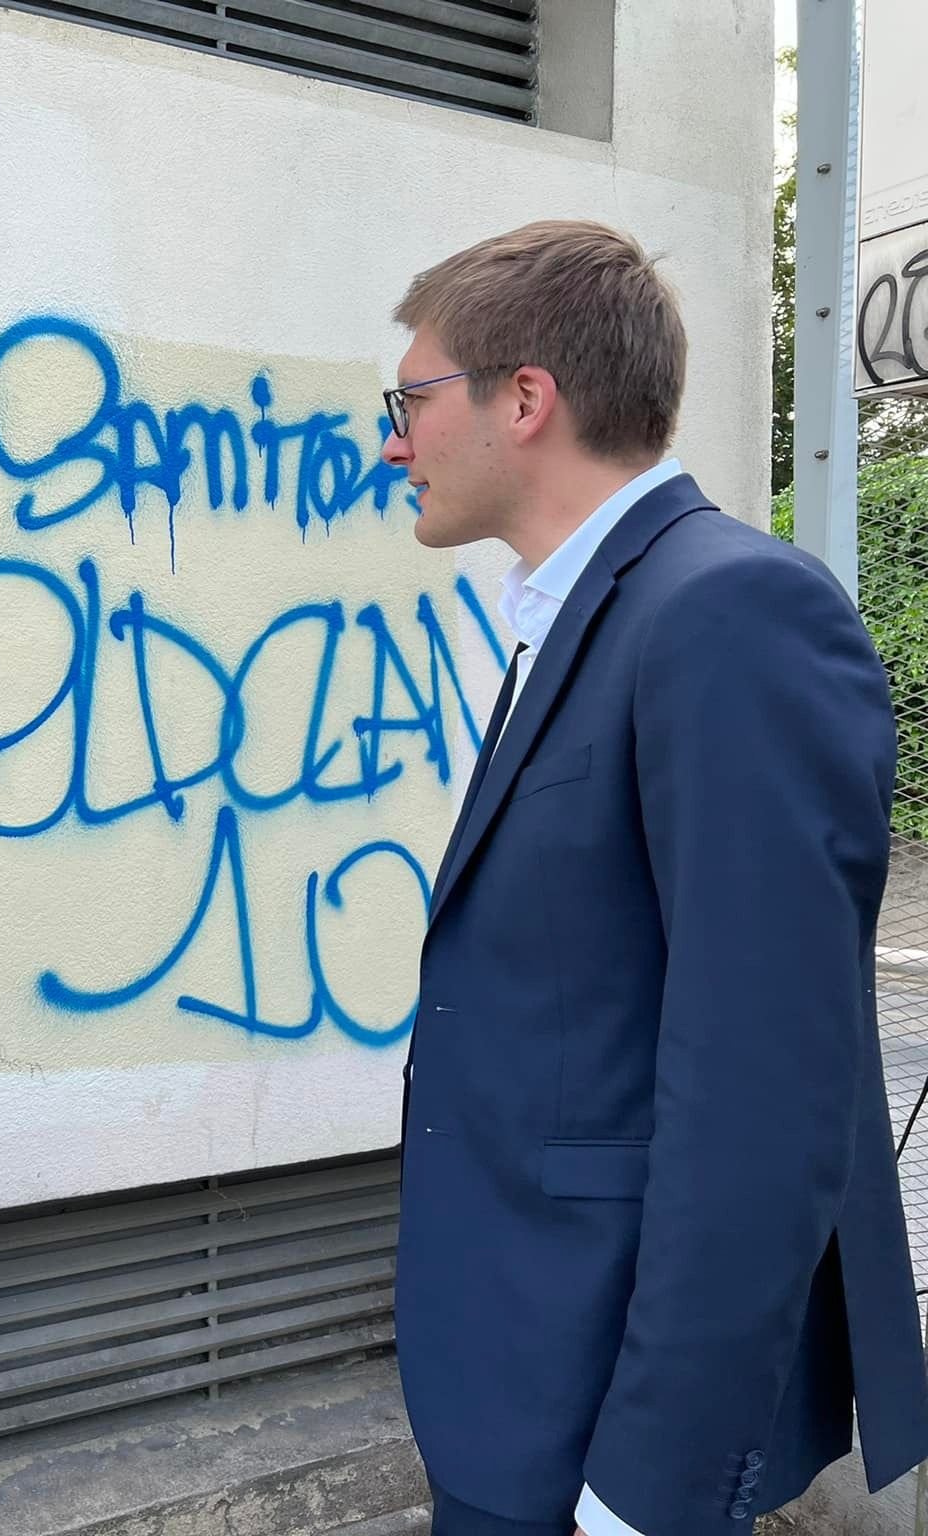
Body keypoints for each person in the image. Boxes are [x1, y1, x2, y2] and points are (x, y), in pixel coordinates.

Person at [386, 220, 928, 1535]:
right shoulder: (585, 612)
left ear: (526, 400)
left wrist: (649, 1493)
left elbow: (764, 1100)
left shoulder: (728, 613)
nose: (390, 440)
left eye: (408, 401)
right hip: (519, 1376)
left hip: (604, 1434)